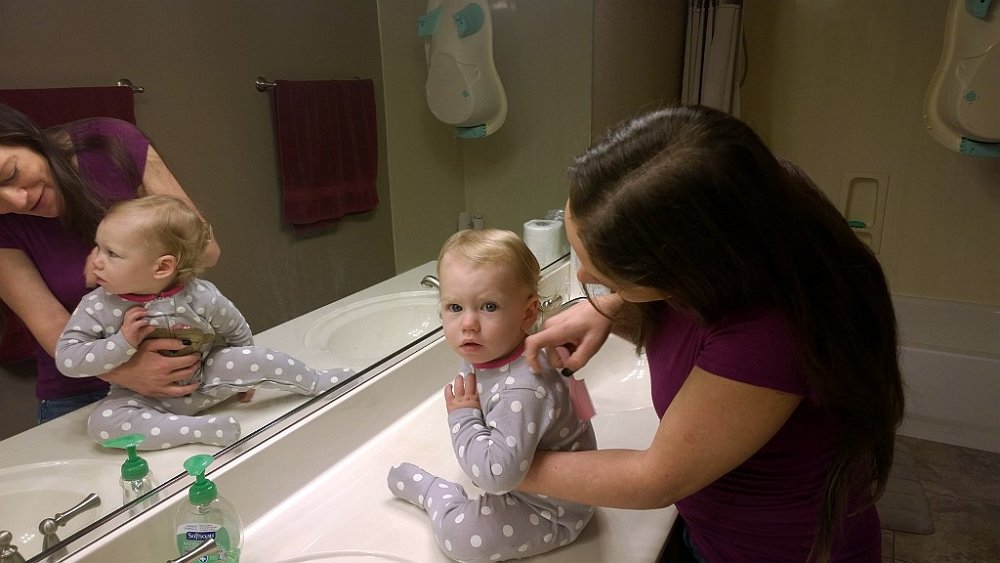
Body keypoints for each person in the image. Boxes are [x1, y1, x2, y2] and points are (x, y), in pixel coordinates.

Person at [520, 106, 904, 562]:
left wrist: (505, 467)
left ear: (687, 265)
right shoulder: (746, 207)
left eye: (606, 272)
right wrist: (610, 307)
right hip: (713, 533)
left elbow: (655, 479)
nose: (583, 275)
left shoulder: (768, 335)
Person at [55, 195, 353, 450]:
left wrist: (248, 378)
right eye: (97, 247)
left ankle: (315, 381)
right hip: (141, 397)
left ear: (162, 267)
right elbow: (67, 359)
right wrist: (120, 343)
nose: (95, 261)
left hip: (208, 376)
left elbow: (235, 329)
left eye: (112, 253)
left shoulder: (200, 296)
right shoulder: (97, 306)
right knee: (102, 425)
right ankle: (197, 430)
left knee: (260, 358)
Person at [0, 104, 221, 423]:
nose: (17, 201)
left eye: (11, 174)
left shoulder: (110, 143)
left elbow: (207, 251)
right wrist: (127, 371)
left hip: (182, 368)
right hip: (80, 391)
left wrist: (128, 255)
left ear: (25, 137)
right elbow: (50, 323)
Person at [387, 229, 596, 562]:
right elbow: (583, 410)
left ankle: (435, 494)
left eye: (488, 306)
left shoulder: (523, 389)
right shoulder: (498, 350)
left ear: (527, 313)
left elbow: (496, 478)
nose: (468, 323)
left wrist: (463, 418)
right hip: (543, 481)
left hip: (553, 510)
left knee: (461, 540)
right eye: (455, 307)